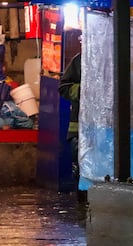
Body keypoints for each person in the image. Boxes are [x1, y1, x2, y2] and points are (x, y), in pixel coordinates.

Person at [59, 52, 81, 185]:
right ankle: (82, 200)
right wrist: (83, 90)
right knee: (80, 168)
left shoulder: (114, 59)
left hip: (105, 131)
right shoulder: (79, 60)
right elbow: (63, 88)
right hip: (78, 130)